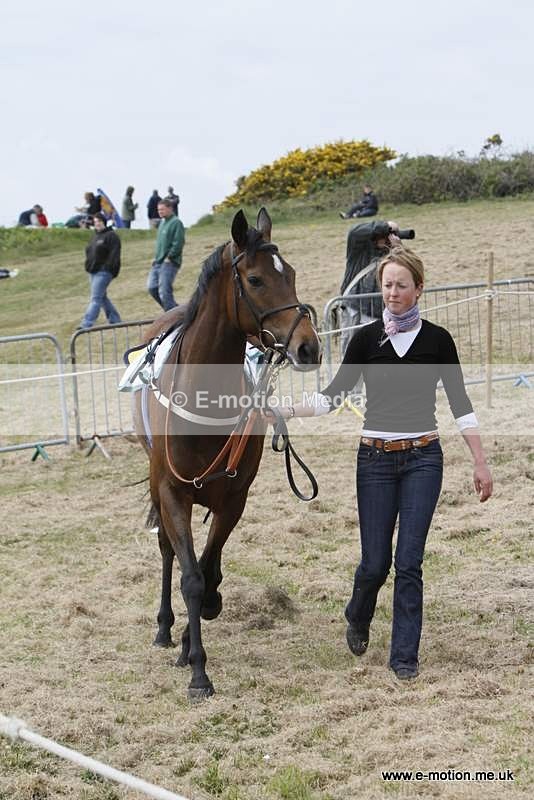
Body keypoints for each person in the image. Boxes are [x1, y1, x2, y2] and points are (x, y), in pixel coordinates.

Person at [267, 247, 493, 681]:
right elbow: (332, 397)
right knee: (375, 563)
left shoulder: (438, 341)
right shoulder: (366, 339)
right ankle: (358, 613)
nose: (392, 292)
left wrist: (479, 462)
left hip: (424, 458)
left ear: (418, 289)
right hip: (374, 461)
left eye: (401, 285)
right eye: (387, 284)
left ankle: (404, 657)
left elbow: (461, 404)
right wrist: (284, 410)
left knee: (409, 560)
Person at [339, 220, 401, 354]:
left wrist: (398, 249)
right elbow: (354, 231)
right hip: (353, 310)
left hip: (378, 314)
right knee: (350, 351)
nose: (387, 238)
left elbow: (407, 273)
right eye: (385, 235)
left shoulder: (393, 255)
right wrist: (385, 226)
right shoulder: (358, 249)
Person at [79, 213, 122, 329]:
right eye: (95, 221)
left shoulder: (111, 236)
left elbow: (115, 254)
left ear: (104, 221)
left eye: (99, 221)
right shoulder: (95, 237)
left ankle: (86, 323)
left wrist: (110, 268)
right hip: (93, 272)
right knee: (102, 297)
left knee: (95, 298)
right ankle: (115, 320)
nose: (97, 223)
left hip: (104, 272)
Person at [146, 198, 185, 311]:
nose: (160, 212)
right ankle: (173, 311)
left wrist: (170, 257)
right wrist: (156, 257)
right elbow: (161, 244)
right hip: (158, 262)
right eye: (158, 210)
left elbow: (178, 242)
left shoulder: (176, 222)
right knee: (152, 287)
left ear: (170, 208)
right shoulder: (162, 223)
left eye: (162, 209)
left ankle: (173, 316)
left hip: (169, 263)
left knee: (164, 291)